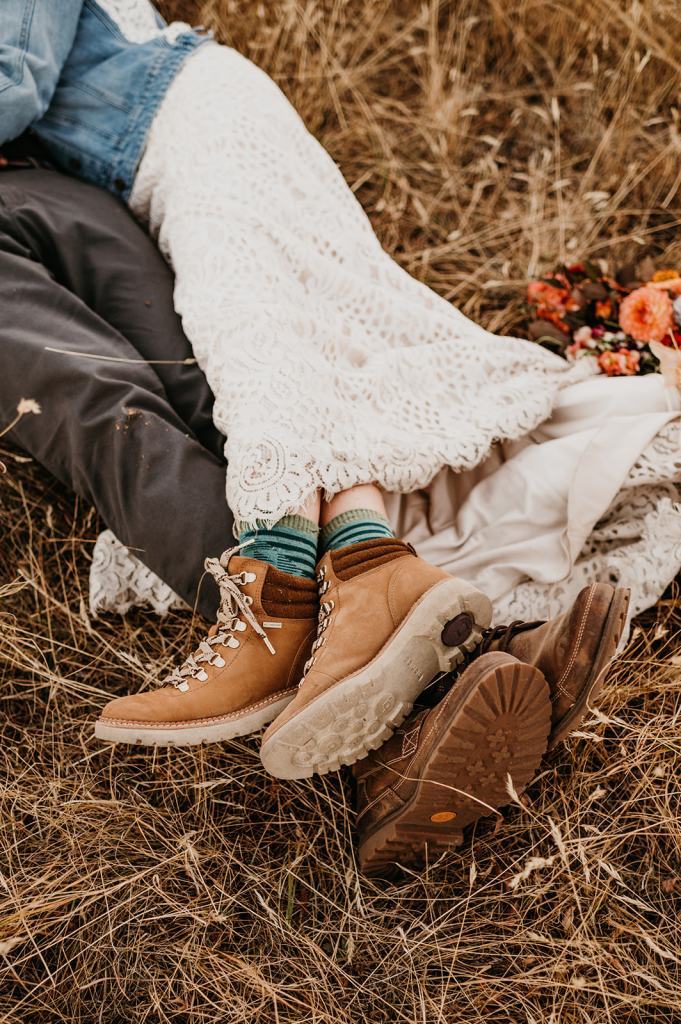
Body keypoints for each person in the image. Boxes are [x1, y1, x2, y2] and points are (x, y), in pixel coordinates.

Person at [1, 2, 677, 788]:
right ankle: (382, 580)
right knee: (295, 357)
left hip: (199, 131)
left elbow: (13, 81)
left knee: (265, 349)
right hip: (162, 160)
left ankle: (298, 598)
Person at [0, 152, 635, 875]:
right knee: (102, 410)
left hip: (55, 183)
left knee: (231, 398)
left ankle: (395, 662)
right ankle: (428, 694)